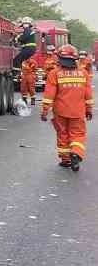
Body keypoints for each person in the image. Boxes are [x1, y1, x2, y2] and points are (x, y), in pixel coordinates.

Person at [41, 44, 93, 172]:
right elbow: (88, 95)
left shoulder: (54, 73)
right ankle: (76, 152)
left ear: (59, 58)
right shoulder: (83, 73)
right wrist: (89, 109)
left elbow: (49, 94)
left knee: (62, 134)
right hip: (78, 112)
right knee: (78, 134)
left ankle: (66, 160)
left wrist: (45, 110)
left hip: (60, 111)